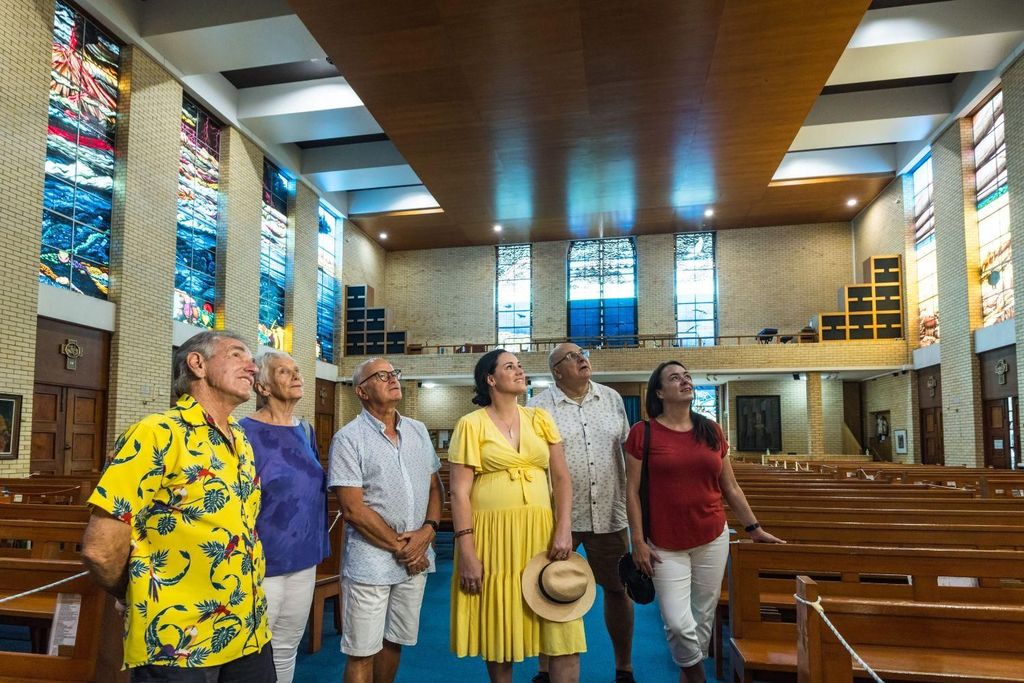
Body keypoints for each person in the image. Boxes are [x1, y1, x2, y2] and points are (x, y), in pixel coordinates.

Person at [81, 330, 274, 681]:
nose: (253, 367)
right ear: (197, 364)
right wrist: (135, 589)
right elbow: (100, 549)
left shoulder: (241, 439)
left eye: (252, 359)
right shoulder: (157, 433)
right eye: (237, 355)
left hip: (247, 627)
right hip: (178, 636)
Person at [624, 361, 783, 683]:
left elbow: (731, 486)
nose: (684, 381)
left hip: (711, 536)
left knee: (701, 619)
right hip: (663, 543)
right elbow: (631, 491)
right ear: (659, 392)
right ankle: (696, 676)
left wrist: (754, 528)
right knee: (677, 622)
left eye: (686, 376)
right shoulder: (644, 432)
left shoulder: (711, 429)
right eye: (674, 377)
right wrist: (637, 541)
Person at [449, 349, 585, 683]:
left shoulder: (539, 418)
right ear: (491, 379)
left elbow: (563, 479)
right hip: (492, 538)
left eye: (520, 366)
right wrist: (467, 551)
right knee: (500, 630)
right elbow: (459, 492)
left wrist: (564, 528)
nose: (520, 370)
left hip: (541, 533)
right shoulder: (470, 425)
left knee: (561, 626)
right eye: (510, 366)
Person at [329, 357, 442, 683]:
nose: (393, 379)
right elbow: (352, 509)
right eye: (381, 376)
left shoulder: (418, 430)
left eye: (394, 373)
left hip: (416, 558)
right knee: (362, 651)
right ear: (362, 392)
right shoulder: (349, 438)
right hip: (372, 561)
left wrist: (427, 533)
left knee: (395, 641)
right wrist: (405, 548)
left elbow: (436, 487)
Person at [528, 343, 635, 683]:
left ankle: (624, 666)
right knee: (550, 589)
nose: (582, 359)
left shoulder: (612, 399)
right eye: (571, 358)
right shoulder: (537, 407)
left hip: (609, 511)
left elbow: (627, 452)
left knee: (618, 590)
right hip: (560, 518)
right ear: (556, 371)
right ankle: (545, 668)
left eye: (582, 353)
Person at [240, 350, 330, 683]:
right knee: (254, 652)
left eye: (297, 370)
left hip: (304, 557)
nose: (296, 376)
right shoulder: (243, 433)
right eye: (283, 372)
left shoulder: (305, 430)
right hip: (262, 561)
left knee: (286, 646)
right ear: (262, 386)